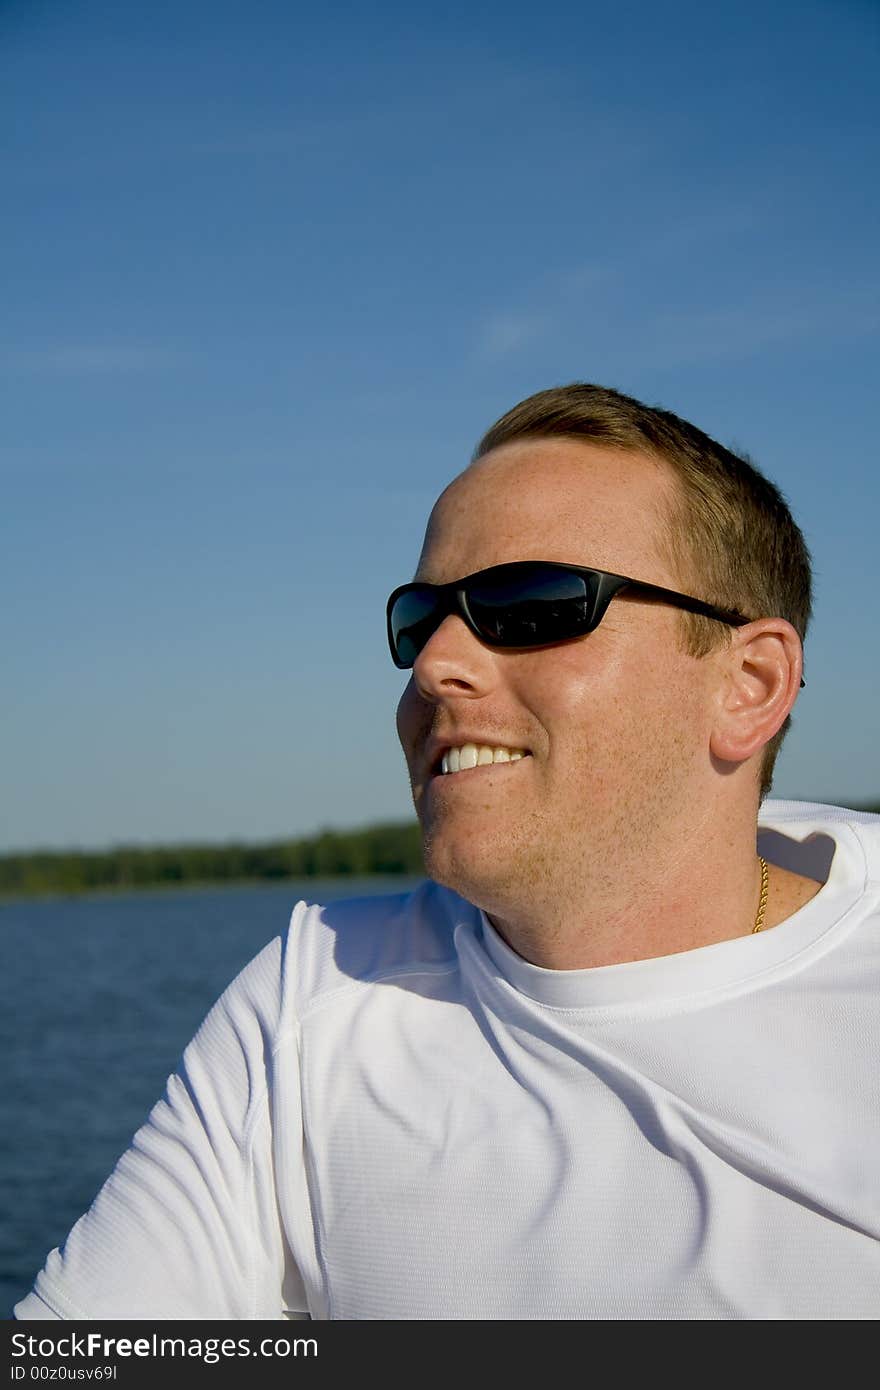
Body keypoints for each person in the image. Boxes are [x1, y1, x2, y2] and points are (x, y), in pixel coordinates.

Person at [15, 383, 880, 1321]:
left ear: (749, 686)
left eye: (533, 603)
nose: (433, 664)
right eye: (421, 618)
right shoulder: (317, 996)